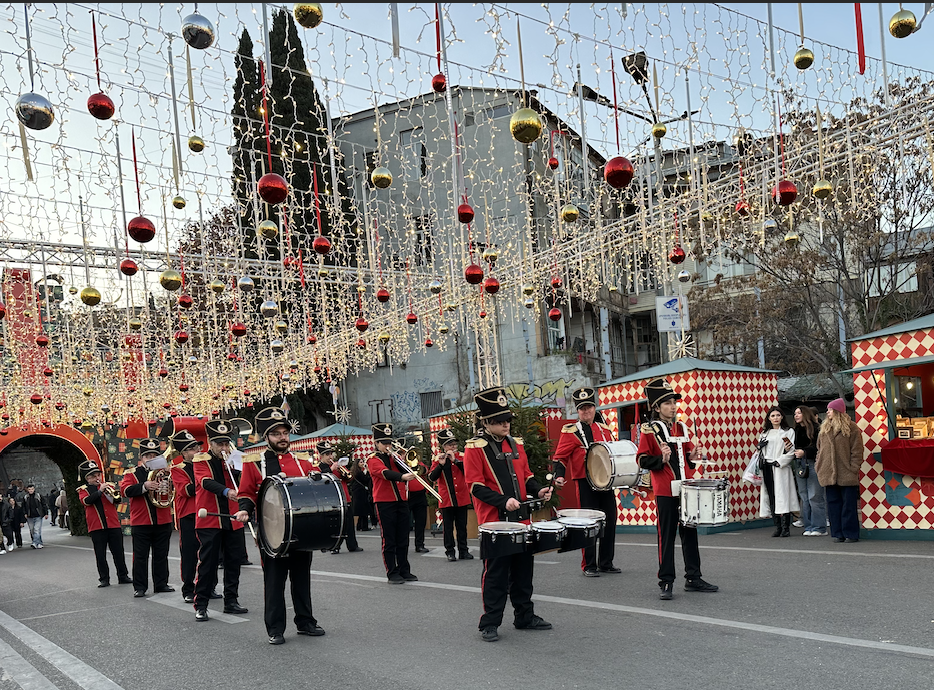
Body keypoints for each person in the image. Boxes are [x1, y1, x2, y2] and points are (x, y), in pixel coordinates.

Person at [464, 385, 554, 642]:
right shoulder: (475, 448)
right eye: (500, 421)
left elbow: (527, 476)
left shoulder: (517, 445)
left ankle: (524, 615)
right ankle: (489, 623)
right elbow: (476, 487)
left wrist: (538, 491)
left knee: (524, 572)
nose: (506, 424)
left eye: (507, 419)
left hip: (522, 520)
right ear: (486, 422)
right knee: (496, 574)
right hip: (495, 523)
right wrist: (504, 502)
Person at [236, 406, 325, 645]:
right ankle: (275, 628)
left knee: (301, 578)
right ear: (267, 437)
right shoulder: (254, 463)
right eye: (276, 434)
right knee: (274, 582)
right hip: (271, 531)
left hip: (301, 528)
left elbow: (315, 487)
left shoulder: (303, 460)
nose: (283, 437)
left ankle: (305, 622)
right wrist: (245, 508)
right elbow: (246, 492)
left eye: (285, 432)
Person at [636, 377, 718, 600]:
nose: (673, 407)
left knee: (690, 533)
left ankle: (694, 577)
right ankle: (666, 581)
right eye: (667, 403)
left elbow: (689, 457)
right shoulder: (649, 430)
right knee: (667, 536)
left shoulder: (681, 427)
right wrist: (660, 459)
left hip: (686, 487)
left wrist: (693, 456)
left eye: (673, 402)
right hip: (664, 490)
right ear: (657, 407)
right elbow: (642, 460)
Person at [552, 386, 621, 577]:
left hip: (605, 482)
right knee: (588, 524)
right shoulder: (571, 431)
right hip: (584, 482)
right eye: (582, 408)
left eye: (589, 407)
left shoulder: (604, 429)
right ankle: (589, 565)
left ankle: (606, 562)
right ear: (577, 410)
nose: (586, 411)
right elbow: (560, 457)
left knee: (609, 521)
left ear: (594, 408)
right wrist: (558, 475)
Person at [192, 420, 248, 622]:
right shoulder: (201, 459)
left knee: (234, 562)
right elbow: (204, 481)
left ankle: (231, 601)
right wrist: (226, 491)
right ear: (210, 443)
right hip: (210, 519)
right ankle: (201, 604)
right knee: (208, 563)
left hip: (233, 518)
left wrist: (239, 470)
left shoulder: (233, 459)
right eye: (219, 444)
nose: (224, 448)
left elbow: (245, 481)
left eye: (226, 443)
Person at [119, 437, 175, 598]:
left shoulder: (166, 472)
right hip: (142, 521)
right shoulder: (132, 473)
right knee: (141, 557)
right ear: (141, 458)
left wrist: (167, 485)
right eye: (147, 456)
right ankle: (140, 587)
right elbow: (125, 490)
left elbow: (173, 488)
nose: (151, 459)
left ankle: (161, 583)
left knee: (161, 554)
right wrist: (145, 486)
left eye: (154, 456)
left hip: (162, 519)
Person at [367, 423, 418, 584]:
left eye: (389, 442)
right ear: (376, 443)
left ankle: (404, 569)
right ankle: (392, 571)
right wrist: (402, 477)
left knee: (403, 538)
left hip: (401, 500)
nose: (388, 446)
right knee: (389, 539)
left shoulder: (394, 458)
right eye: (384, 443)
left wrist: (403, 461)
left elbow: (407, 470)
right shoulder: (372, 459)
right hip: (384, 502)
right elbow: (384, 473)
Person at [816, 398, 864, 543]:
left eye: (830, 409)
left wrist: (853, 467)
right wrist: (819, 465)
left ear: (837, 411)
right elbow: (819, 450)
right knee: (833, 505)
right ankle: (838, 533)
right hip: (828, 472)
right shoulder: (824, 429)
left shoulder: (852, 428)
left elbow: (857, 450)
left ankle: (851, 533)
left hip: (846, 472)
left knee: (848, 505)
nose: (827, 412)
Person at [77, 460, 131, 587]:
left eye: (98, 475)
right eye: (93, 476)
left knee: (118, 552)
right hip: (97, 527)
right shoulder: (83, 490)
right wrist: (100, 491)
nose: (97, 478)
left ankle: (123, 576)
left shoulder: (109, 486)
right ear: (87, 478)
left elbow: (117, 500)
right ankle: (104, 578)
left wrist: (108, 492)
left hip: (113, 525)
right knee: (100, 555)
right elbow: (87, 501)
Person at [169, 429, 203, 603]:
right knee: (189, 554)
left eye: (197, 447)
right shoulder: (177, 469)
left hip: (206, 513)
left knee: (208, 553)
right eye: (192, 449)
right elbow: (186, 491)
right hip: (188, 515)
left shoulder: (205, 464)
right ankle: (188, 589)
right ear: (183, 453)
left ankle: (208, 586)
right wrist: (204, 479)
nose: (197, 451)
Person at [428, 428, 472, 561]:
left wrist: (456, 462)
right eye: (449, 444)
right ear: (443, 446)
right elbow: (432, 477)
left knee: (462, 526)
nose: (453, 447)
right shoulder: (438, 459)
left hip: (461, 497)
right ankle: (450, 551)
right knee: (448, 527)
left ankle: (463, 551)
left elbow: (469, 472)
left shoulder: (462, 457)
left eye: (454, 444)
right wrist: (441, 466)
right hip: (447, 498)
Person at [756, 407, 799, 537]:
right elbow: (760, 452)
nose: (775, 418)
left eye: (778, 415)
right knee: (772, 496)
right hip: (767, 467)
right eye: (773, 415)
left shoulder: (788, 431)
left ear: (782, 417)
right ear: (769, 418)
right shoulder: (764, 433)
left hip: (780, 467)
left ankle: (786, 527)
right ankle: (778, 526)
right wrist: (759, 448)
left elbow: (791, 450)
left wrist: (780, 461)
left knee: (783, 495)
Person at [315, 441, 361, 554]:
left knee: (349, 523)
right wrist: (331, 469)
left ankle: (352, 545)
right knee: (335, 525)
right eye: (327, 455)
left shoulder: (337, 466)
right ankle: (335, 546)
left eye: (331, 454)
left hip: (345, 498)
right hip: (332, 500)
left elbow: (348, 478)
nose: (330, 457)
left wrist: (345, 472)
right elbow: (319, 479)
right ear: (321, 456)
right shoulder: (318, 467)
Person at [793, 406, 826, 537]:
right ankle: (808, 526)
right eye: (795, 413)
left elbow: (820, 448)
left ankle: (819, 526)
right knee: (804, 496)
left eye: (799, 413)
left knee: (815, 496)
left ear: (805, 414)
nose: (796, 415)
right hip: (799, 463)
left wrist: (805, 452)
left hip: (813, 463)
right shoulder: (795, 430)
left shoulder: (816, 428)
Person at [404, 439, 430, 554]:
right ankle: (403, 545)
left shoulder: (418, 464)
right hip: (407, 495)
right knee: (403, 522)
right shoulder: (402, 464)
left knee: (421, 521)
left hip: (420, 495)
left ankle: (420, 544)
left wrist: (416, 466)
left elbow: (425, 471)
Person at [21, 484, 49, 549]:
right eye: (29, 489)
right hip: (29, 516)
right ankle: (39, 542)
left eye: (32, 489)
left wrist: (46, 513)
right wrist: (25, 513)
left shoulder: (38, 496)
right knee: (32, 530)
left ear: (34, 489)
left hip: (38, 515)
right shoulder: (25, 497)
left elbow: (44, 504)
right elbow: (23, 507)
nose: (31, 491)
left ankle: (34, 542)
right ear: (27, 490)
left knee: (37, 529)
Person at [350, 459, 374, 531]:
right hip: (360, 492)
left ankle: (359, 526)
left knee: (361, 510)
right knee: (364, 509)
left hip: (357, 492)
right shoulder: (359, 473)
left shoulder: (355, 472)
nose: (362, 463)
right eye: (361, 462)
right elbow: (365, 479)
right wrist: (368, 472)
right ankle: (364, 526)